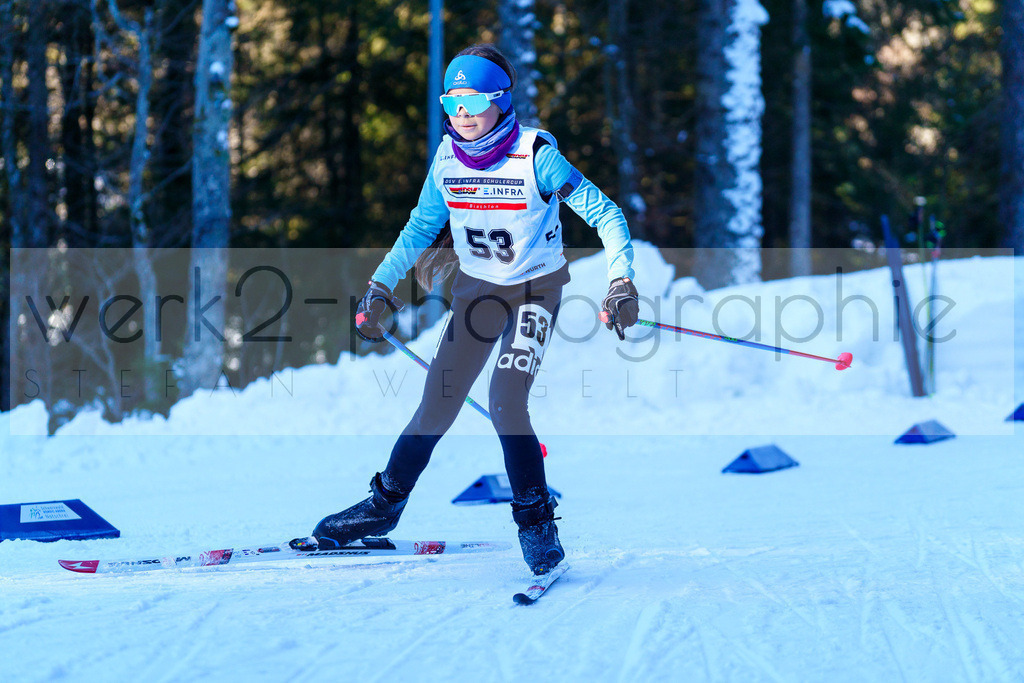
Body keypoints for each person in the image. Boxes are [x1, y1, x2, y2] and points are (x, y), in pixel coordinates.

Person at [312, 44, 640, 576]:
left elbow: (607, 215)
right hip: (476, 292)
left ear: (502, 101)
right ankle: (384, 506)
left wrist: (620, 281)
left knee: (506, 400)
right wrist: (380, 287)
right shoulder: (446, 159)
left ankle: (536, 521)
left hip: (536, 290)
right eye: (452, 102)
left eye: (474, 101)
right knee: (436, 402)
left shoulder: (537, 155)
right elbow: (419, 227)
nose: (461, 115)